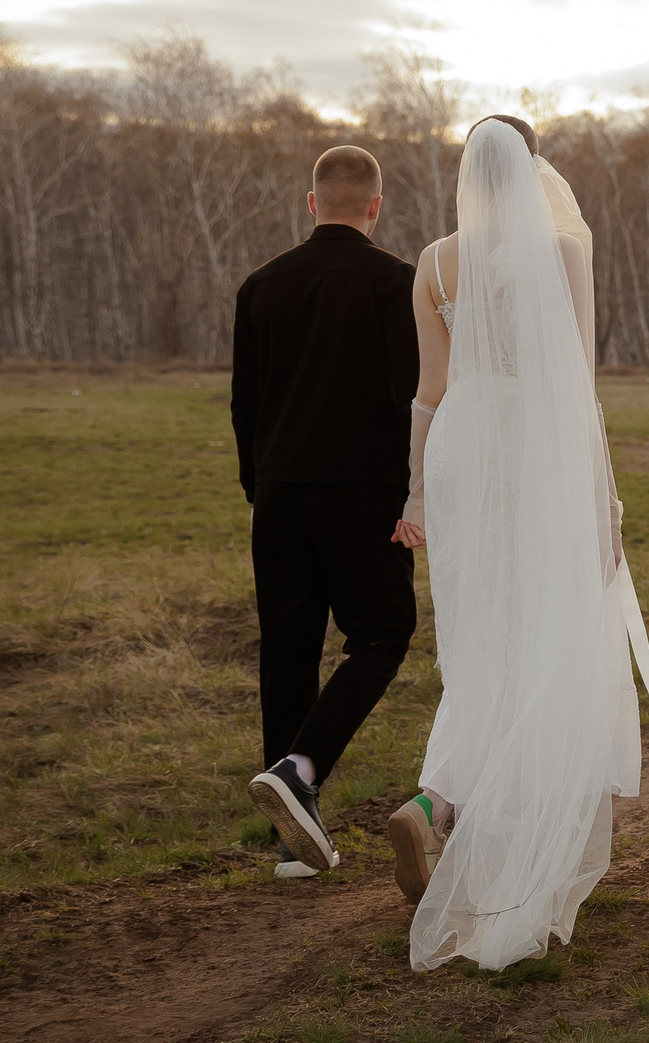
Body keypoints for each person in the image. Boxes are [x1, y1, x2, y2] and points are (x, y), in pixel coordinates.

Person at [387, 117, 649, 971]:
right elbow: (577, 389)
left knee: (478, 647)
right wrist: (601, 501)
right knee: (547, 636)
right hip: (536, 446)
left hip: (463, 447)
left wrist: (417, 488)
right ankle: (508, 834)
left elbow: (429, 392)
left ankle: (436, 803)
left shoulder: (433, 263)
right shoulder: (566, 254)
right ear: (534, 165)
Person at [231, 145, 420, 878]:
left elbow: (246, 405)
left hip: (278, 492)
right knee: (382, 634)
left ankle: (293, 846)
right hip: (363, 492)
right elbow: (412, 397)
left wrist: (260, 487)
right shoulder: (394, 283)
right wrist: (413, 493)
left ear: (312, 204)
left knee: (288, 651)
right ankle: (301, 769)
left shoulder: (260, 286)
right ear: (376, 207)